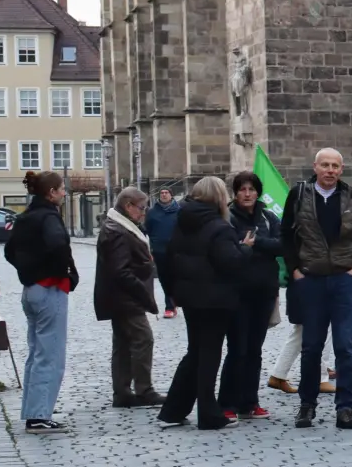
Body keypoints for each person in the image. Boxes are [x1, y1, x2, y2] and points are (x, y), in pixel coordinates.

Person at [281, 147, 352, 430]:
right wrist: (295, 270)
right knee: (311, 346)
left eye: (335, 165)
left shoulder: (351, 197)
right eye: (325, 165)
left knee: (345, 347)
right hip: (310, 279)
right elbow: (286, 234)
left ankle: (345, 407)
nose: (330, 170)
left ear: (342, 169)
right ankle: (307, 405)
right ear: (315, 167)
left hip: (344, 279)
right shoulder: (299, 195)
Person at [158, 177, 248, 431]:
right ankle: (208, 413)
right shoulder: (219, 227)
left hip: (190, 297)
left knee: (195, 352)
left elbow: (166, 259)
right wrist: (246, 250)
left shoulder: (182, 222)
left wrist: (173, 292)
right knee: (208, 355)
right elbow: (230, 262)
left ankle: (174, 409)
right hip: (215, 299)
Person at [5, 171, 78, 434]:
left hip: (32, 290)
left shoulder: (25, 217)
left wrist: (28, 270)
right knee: (50, 353)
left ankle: (33, 411)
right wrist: (66, 273)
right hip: (50, 289)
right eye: (61, 189)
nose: (64, 193)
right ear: (51, 193)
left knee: (36, 353)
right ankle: (38, 416)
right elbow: (59, 247)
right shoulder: (49, 217)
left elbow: (9, 251)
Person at [220, 172, 283, 421]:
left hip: (264, 291)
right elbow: (230, 248)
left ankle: (249, 401)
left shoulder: (268, 217)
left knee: (255, 350)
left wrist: (256, 244)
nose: (247, 194)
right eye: (242, 189)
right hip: (237, 293)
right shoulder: (227, 218)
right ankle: (226, 402)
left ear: (258, 192)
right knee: (237, 349)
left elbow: (283, 245)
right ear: (235, 193)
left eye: (251, 189)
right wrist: (249, 247)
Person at [95, 186, 164, 409]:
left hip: (122, 297)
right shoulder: (117, 230)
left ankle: (123, 392)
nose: (143, 213)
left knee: (123, 343)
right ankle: (143, 390)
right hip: (126, 297)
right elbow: (120, 271)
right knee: (143, 339)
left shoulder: (121, 226)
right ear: (128, 206)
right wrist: (144, 295)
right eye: (141, 208)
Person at [145, 187, 181, 318]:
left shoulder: (179, 211)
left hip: (176, 250)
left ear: (171, 195)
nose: (164, 195)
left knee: (175, 277)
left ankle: (173, 301)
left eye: (167, 193)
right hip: (159, 250)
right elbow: (146, 229)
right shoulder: (152, 212)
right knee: (164, 278)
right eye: (162, 193)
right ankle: (170, 305)